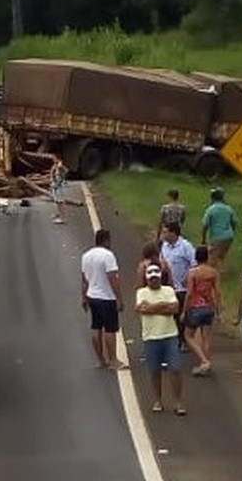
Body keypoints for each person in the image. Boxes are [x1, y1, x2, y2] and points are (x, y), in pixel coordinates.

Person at [136, 264, 186, 416]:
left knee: (175, 369)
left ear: (160, 278)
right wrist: (163, 307)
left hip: (169, 335)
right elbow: (141, 309)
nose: (154, 281)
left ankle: (178, 401)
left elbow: (175, 309)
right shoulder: (141, 292)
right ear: (147, 279)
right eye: (151, 278)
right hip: (150, 337)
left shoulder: (168, 290)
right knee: (154, 371)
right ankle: (158, 400)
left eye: (156, 278)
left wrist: (152, 307)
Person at [80, 229, 127, 371]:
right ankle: (113, 360)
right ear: (106, 240)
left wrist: (84, 297)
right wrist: (119, 298)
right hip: (107, 297)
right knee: (110, 329)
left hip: (92, 296)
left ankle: (100, 360)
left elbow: (84, 279)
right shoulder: (108, 256)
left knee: (96, 327)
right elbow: (113, 277)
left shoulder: (86, 256)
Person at [182, 245, 220, 376]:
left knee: (188, 336)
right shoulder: (213, 272)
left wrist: (184, 310)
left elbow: (189, 293)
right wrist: (218, 309)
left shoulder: (193, 272)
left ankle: (204, 361)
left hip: (195, 307)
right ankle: (206, 364)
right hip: (209, 307)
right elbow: (218, 292)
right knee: (206, 339)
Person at [159, 222, 196, 350]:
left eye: (165, 232)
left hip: (182, 288)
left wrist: (187, 278)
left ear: (173, 233)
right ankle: (175, 340)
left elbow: (194, 263)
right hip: (169, 287)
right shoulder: (164, 246)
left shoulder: (186, 246)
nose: (163, 234)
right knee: (171, 316)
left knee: (182, 316)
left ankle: (183, 341)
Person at [201, 187, 236, 277]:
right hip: (229, 236)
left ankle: (215, 275)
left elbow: (205, 225)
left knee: (213, 257)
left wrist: (203, 239)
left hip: (217, 237)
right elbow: (234, 222)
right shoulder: (228, 208)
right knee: (222, 255)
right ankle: (222, 271)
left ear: (212, 198)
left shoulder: (211, 209)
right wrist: (232, 231)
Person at [50, 157, 69, 224]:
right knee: (57, 202)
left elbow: (65, 172)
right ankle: (58, 214)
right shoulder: (55, 167)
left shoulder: (60, 168)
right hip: (56, 187)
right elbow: (53, 176)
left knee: (60, 202)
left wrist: (60, 167)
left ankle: (62, 218)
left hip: (59, 187)